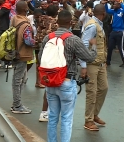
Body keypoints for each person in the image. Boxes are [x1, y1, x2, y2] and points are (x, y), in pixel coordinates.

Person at [39, 10, 97, 142]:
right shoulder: (73, 39)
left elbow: (40, 57)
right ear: (71, 23)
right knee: (66, 118)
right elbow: (89, 58)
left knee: (52, 116)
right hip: (66, 81)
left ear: (57, 22)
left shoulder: (47, 38)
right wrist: (93, 46)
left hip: (50, 82)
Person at [79, 4, 109, 131]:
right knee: (92, 91)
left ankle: (94, 114)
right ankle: (88, 120)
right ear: (103, 13)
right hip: (91, 64)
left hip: (100, 63)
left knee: (103, 88)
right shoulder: (92, 25)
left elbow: (97, 44)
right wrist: (84, 66)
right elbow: (84, 44)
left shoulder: (99, 25)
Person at [10, 1, 35, 114]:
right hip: (22, 53)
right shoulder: (26, 24)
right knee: (18, 80)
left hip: (14, 52)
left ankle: (16, 103)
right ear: (25, 10)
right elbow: (28, 41)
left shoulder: (14, 19)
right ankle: (17, 105)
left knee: (18, 78)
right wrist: (37, 41)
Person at [104, 0, 124, 67]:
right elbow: (107, 10)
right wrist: (106, 4)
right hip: (113, 31)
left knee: (120, 48)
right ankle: (108, 61)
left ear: (118, 5)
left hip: (120, 31)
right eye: (113, 4)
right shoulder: (114, 11)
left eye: (115, 4)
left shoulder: (122, 11)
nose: (113, 5)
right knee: (110, 47)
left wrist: (121, 4)